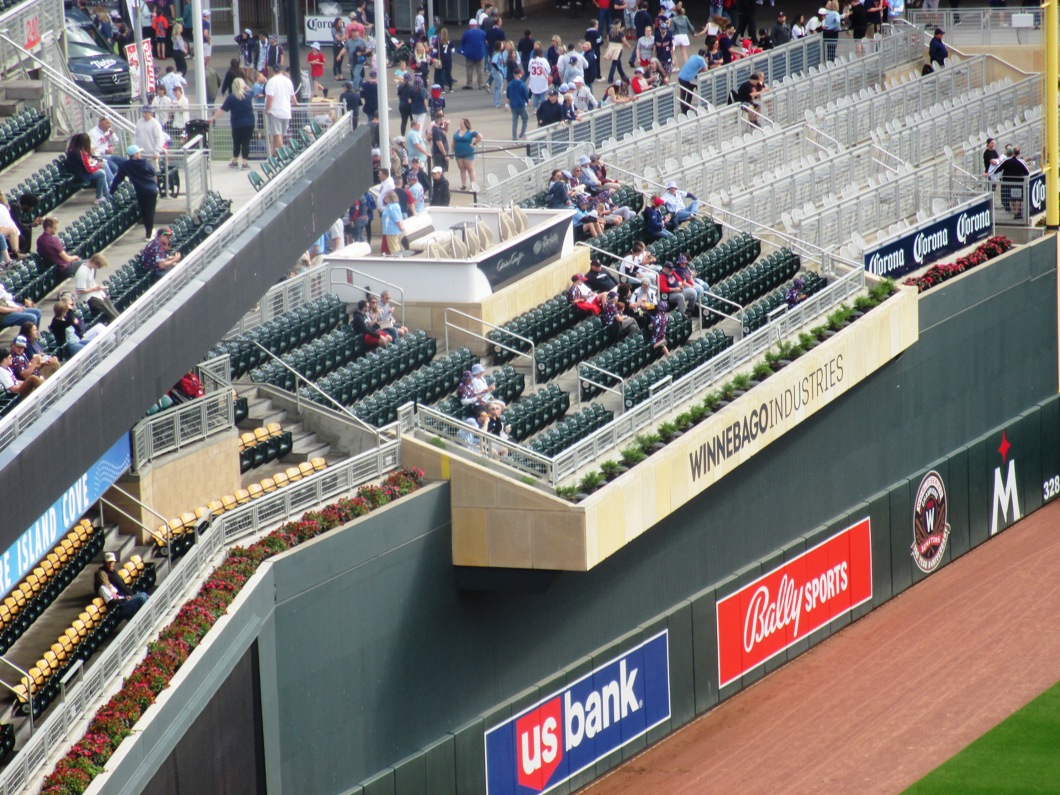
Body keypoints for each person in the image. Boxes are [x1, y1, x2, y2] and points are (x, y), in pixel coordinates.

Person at [110, 146, 160, 241]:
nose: (140, 154)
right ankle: (149, 234)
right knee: (150, 211)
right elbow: (154, 175)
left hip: (140, 191)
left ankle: (148, 232)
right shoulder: (145, 163)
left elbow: (118, 179)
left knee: (144, 211)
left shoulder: (125, 165)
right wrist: (155, 187)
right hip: (151, 190)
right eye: (139, 153)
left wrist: (112, 190)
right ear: (136, 154)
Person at [209, 77, 255, 170]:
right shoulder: (248, 94)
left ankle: (234, 161)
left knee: (236, 142)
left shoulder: (231, 98)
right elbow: (252, 91)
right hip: (249, 122)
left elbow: (221, 110)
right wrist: (246, 86)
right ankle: (244, 163)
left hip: (237, 123)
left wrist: (213, 118)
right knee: (246, 142)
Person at [65, 133, 109, 203]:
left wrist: (95, 166)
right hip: (81, 175)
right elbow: (89, 170)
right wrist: (97, 166)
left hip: (78, 172)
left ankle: (106, 194)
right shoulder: (79, 153)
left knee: (101, 171)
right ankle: (100, 197)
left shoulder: (74, 150)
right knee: (101, 173)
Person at [75, 254, 119, 322]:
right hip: (91, 298)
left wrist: (97, 287)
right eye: (97, 266)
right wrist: (94, 289)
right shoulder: (82, 273)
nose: (97, 268)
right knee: (111, 316)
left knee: (115, 313)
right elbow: (79, 291)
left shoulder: (91, 268)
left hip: (97, 294)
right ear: (93, 262)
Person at [265, 64, 297, 156]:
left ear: (272, 71)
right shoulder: (288, 81)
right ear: (282, 71)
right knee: (278, 135)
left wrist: (267, 109)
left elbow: (270, 97)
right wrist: (292, 104)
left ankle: (281, 155)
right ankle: (274, 154)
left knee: (277, 134)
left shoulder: (271, 82)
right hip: (286, 111)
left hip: (275, 111)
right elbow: (293, 98)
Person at [452, 118, 481, 191]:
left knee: (470, 169)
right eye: (460, 123)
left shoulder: (470, 131)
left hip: (468, 152)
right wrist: (452, 150)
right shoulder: (457, 132)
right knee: (462, 169)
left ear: (466, 124)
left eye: (462, 123)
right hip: (458, 153)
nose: (461, 124)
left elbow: (480, 136)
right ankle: (463, 185)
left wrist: (474, 143)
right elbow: (453, 142)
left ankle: (473, 185)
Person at [461, 18, 487, 90]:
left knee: (469, 69)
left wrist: (464, 50)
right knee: (480, 69)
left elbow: (463, 42)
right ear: (476, 25)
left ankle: (469, 84)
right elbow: (485, 41)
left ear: (470, 25)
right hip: (480, 53)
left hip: (469, 53)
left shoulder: (466, 33)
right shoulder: (482, 32)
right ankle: (481, 84)